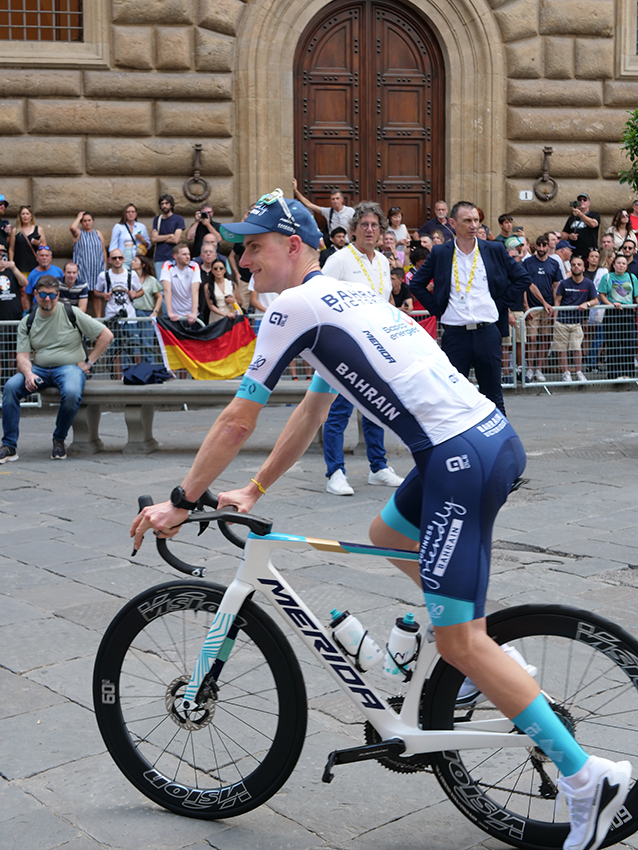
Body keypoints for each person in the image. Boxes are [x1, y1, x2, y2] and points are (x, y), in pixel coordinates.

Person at [131, 191, 633, 850]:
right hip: (485, 439)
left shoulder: (294, 306)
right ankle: (493, 658)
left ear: (293, 246)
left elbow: (237, 417)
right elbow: (311, 412)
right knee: (387, 534)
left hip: (460, 457)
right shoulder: (345, 299)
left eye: (253, 246)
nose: (242, 259)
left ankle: (586, 777)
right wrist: (252, 488)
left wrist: (180, 497)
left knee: (458, 641)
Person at [409, 201, 532, 415]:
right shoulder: (441, 252)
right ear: (453, 223)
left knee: (493, 394)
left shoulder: (493, 249)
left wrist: (500, 304)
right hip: (455, 335)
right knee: (453, 396)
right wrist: (438, 309)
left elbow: (522, 278)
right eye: (467, 220)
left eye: (476, 220)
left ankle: (497, 446)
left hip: (488, 332)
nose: (474, 225)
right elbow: (416, 284)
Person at [322, 200, 403, 495]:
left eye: (375, 226)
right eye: (364, 225)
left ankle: (378, 467)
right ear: (353, 229)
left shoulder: (382, 262)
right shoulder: (340, 259)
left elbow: (384, 301)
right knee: (339, 411)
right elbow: (320, 296)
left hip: (376, 346)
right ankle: (335, 473)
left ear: (381, 231)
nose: (370, 230)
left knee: (376, 409)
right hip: (345, 345)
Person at [0, 275, 113, 463]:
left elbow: (106, 335)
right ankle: (9, 445)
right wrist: (28, 374)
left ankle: (59, 439)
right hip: (39, 369)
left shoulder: (72, 312)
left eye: (52, 295)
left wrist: (88, 362)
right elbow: (22, 356)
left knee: (71, 392)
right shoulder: (28, 320)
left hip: (69, 367)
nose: (47, 299)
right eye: (43, 294)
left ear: (58, 295)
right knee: (11, 387)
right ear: (35, 294)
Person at [523, 234, 563, 382]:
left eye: (544, 245)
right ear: (535, 246)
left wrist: (554, 307)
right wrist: (526, 305)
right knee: (532, 339)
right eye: (538, 245)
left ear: (548, 246)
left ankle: (538, 369)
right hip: (532, 308)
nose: (541, 248)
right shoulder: (527, 262)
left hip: (547, 308)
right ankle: (530, 368)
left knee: (545, 338)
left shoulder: (553, 263)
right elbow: (525, 285)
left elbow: (555, 287)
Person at [95, 249, 143, 372]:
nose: (117, 260)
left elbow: (141, 291)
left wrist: (135, 295)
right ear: (110, 260)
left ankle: (136, 375)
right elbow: (96, 291)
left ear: (123, 259)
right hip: (112, 317)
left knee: (135, 349)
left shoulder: (131, 274)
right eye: (114, 258)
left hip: (130, 317)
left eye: (120, 258)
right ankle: (116, 380)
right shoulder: (103, 275)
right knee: (115, 352)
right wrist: (103, 295)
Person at [553, 255, 599, 382]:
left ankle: (579, 372)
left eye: (579, 264)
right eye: (573, 265)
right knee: (562, 349)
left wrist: (587, 304)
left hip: (577, 321)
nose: (576, 267)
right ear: (571, 267)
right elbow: (557, 300)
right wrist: (555, 319)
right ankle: (566, 373)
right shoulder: (564, 283)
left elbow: (596, 299)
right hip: (562, 320)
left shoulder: (588, 283)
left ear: (583, 268)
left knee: (577, 347)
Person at [597, 253, 638, 379]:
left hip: (628, 312)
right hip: (612, 312)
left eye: (624, 263)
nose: (621, 265)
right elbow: (602, 294)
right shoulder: (607, 277)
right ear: (614, 265)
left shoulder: (632, 277)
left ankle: (628, 373)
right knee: (613, 343)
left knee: (628, 343)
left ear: (626, 266)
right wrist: (611, 304)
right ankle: (613, 374)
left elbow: (635, 295)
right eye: (618, 263)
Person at [292, 179, 354, 243]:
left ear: (342, 199)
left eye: (337, 198)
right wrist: (295, 190)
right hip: (333, 244)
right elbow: (309, 204)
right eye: (333, 199)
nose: (335, 201)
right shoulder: (328, 212)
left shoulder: (350, 211)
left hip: (347, 243)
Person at [70, 211, 106, 318]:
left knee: (96, 294)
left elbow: (103, 250)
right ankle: (81, 318)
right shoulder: (78, 233)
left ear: (93, 221)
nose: (87, 223)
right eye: (84, 221)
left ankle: (99, 318)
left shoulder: (98, 233)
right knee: (82, 295)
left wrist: (105, 269)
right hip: (82, 269)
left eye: (89, 220)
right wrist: (79, 216)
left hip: (96, 269)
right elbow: (72, 228)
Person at [0, 254, 27, 385]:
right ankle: (2, 382)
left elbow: (24, 283)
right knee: (2, 354)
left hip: (15, 319)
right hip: (1, 321)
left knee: (14, 352)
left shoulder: (11, 271)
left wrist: (14, 268)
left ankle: (11, 379)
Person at [131, 255, 162, 362]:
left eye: (135, 261)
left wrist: (155, 311)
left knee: (147, 343)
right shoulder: (128, 278)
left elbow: (159, 296)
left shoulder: (151, 280)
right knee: (133, 343)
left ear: (143, 265)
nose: (132, 262)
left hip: (147, 313)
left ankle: (149, 369)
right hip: (132, 313)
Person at [160, 244, 200, 324]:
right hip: (175, 314)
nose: (188, 257)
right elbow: (167, 290)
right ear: (175, 256)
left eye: (188, 254)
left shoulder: (194, 266)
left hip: (191, 313)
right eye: (184, 254)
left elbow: (195, 290)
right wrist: (170, 312)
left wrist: (193, 313)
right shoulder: (168, 265)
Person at [151, 194, 185, 281]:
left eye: (166, 203)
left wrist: (160, 238)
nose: (164, 206)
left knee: (175, 283)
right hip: (159, 257)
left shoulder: (178, 219)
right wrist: (169, 235)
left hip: (174, 257)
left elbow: (176, 239)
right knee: (162, 285)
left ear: (171, 205)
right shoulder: (157, 219)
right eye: (162, 204)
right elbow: (154, 239)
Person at [109, 204, 151, 269]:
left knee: (136, 277)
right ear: (125, 214)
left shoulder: (141, 227)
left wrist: (142, 239)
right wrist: (115, 258)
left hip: (137, 256)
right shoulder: (118, 227)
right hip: (123, 255)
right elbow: (113, 246)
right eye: (128, 212)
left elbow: (148, 246)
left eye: (133, 212)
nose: (131, 214)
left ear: (136, 213)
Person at [9, 205, 44, 279]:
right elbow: (11, 249)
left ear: (31, 216)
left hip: (35, 266)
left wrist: (38, 245)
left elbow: (45, 248)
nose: (25, 216)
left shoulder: (38, 229)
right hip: (20, 266)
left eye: (27, 214)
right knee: (23, 289)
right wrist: (11, 263)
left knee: (35, 288)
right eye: (23, 214)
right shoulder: (15, 231)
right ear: (20, 217)